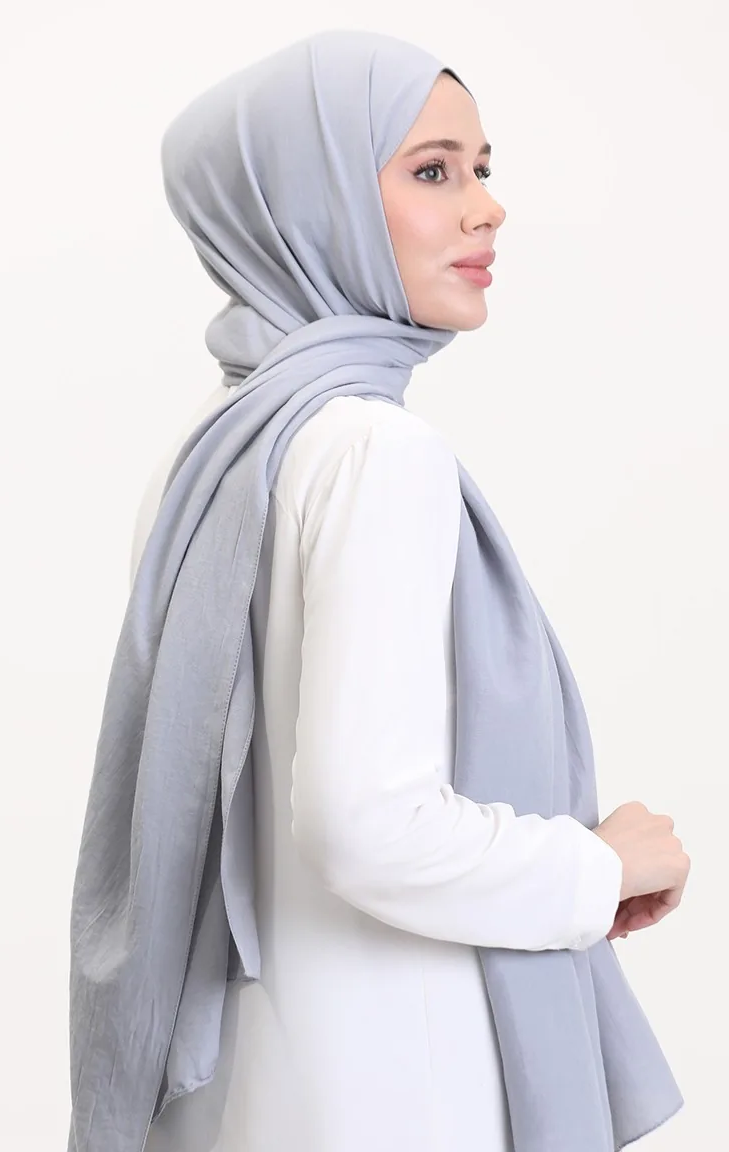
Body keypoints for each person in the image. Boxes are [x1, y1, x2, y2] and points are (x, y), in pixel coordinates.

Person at [119, 42, 690, 1152]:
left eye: (482, 167)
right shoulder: (373, 453)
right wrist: (599, 866)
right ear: (308, 201)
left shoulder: (208, 455)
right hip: (403, 1090)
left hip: (243, 1089)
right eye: (432, 171)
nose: (487, 208)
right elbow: (366, 828)